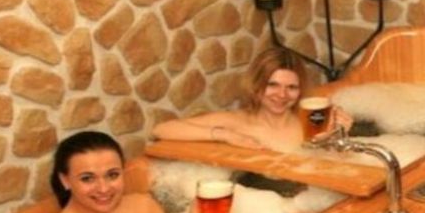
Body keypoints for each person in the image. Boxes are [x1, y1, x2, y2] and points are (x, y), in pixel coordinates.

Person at [151, 47, 352, 151]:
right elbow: (161, 129)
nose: (281, 95)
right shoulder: (237, 122)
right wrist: (225, 135)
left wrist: (338, 134)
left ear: (300, 91)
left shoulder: (308, 123)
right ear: (256, 85)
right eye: (272, 85)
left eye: (291, 87)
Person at [44, 131, 164, 213]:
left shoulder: (145, 206)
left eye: (112, 175)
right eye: (87, 178)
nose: (103, 189)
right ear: (65, 180)